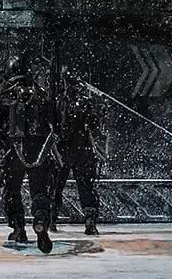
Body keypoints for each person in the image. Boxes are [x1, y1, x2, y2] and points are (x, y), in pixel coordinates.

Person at [0, 55, 61, 254]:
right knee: (40, 190)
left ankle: (18, 227)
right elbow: (55, 121)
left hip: (13, 151)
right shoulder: (40, 93)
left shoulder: (4, 95)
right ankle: (40, 221)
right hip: (39, 151)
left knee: (12, 191)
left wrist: (4, 142)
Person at [50, 68, 102, 236]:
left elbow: (53, 125)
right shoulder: (84, 102)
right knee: (84, 186)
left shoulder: (60, 102)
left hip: (66, 150)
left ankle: (52, 218)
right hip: (79, 149)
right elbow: (95, 125)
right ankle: (89, 220)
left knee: (58, 186)